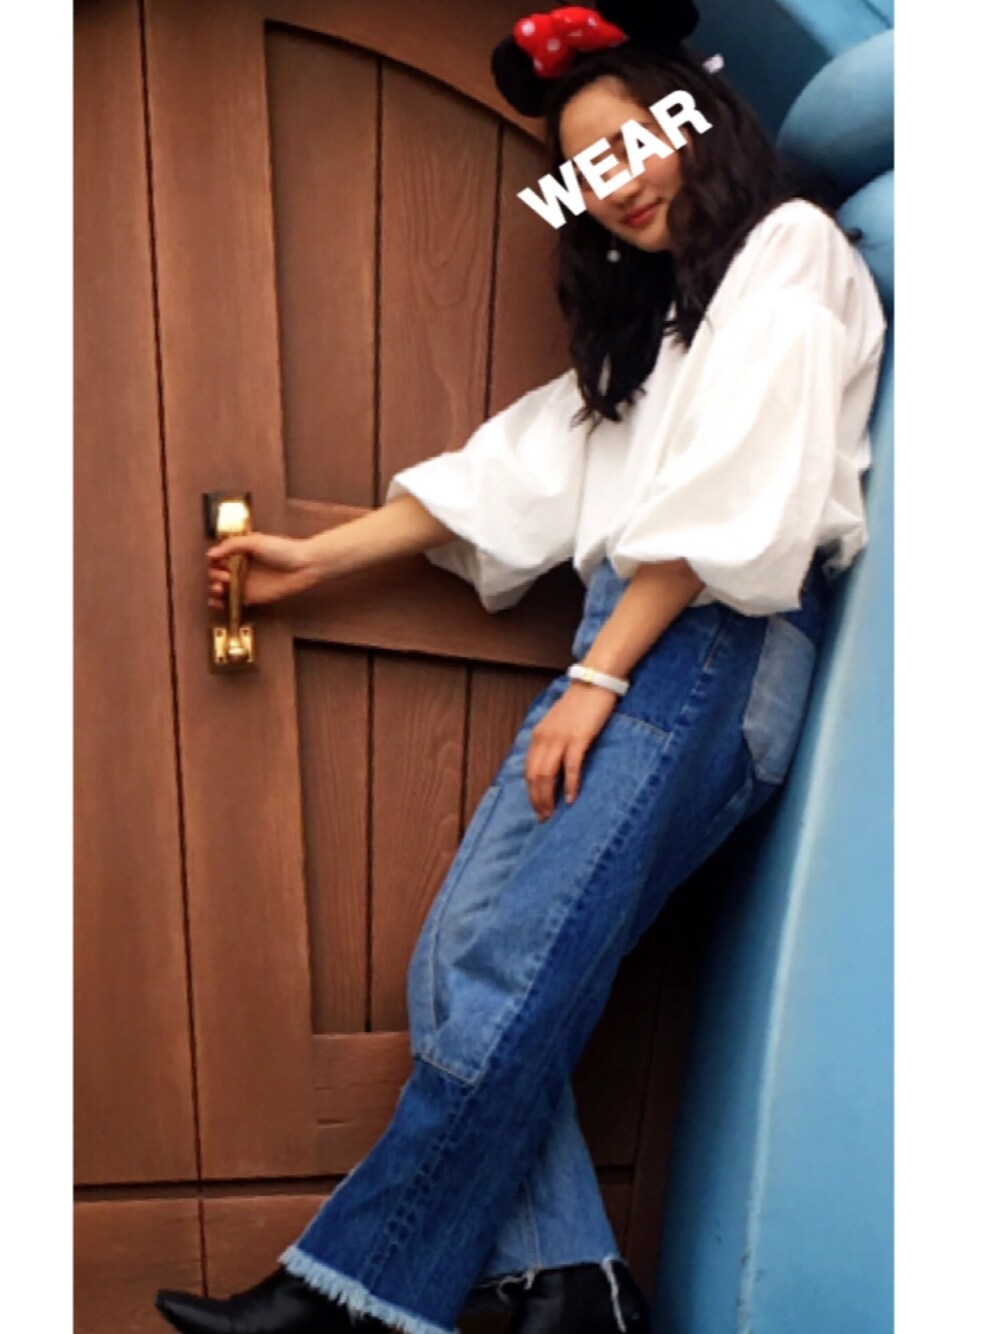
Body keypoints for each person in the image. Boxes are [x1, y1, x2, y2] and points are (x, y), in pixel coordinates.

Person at [153, 4, 887, 1333]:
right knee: (463, 957)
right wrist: (313, 560)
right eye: (588, 167)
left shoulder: (791, 250)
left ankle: (353, 1297)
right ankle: (571, 1281)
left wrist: (600, 680)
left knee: (504, 965)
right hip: (644, 644)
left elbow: (737, 497)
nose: (619, 180)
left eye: (636, 142)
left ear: (695, 121)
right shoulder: (662, 333)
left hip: (700, 645)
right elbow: (524, 467)